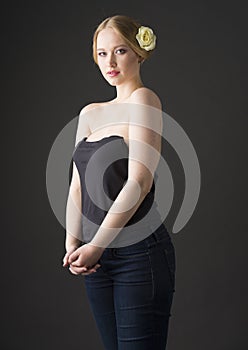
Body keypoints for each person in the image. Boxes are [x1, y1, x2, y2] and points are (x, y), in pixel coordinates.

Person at [63, 15, 176, 350]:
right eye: (101, 54)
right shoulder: (90, 113)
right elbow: (77, 185)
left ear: (139, 53)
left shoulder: (144, 100)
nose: (109, 62)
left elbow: (139, 181)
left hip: (138, 254)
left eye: (120, 51)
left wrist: (95, 244)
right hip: (96, 258)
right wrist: (73, 244)